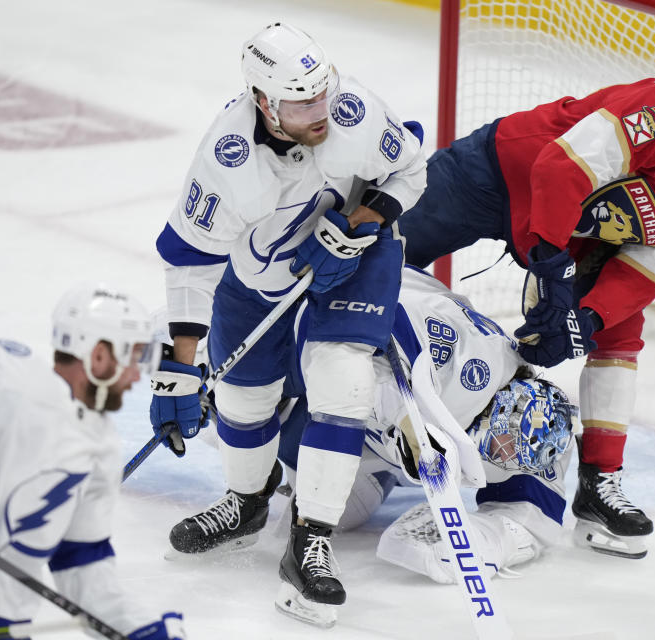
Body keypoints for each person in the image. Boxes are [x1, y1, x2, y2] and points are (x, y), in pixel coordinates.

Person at [397, 73, 655, 558]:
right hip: (499, 173)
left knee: (622, 332)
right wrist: (553, 272)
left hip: (583, 243)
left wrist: (587, 319)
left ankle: (600, 481)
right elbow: (559, 169)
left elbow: (643, 273)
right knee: (380, 250)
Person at [150, 20, 425, 612]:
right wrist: (179, 369)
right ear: (262, 102)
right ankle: (248, 503)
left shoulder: (350, 110)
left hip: (357, 260)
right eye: (302, 103)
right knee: (244, 400)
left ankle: (310, 542)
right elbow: (191, 262)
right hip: (257, 278)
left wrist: (364, 223)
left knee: (341, 379)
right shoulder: (226, 158)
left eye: (321, 91)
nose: (320, 109)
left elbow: (411, 169)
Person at [270, 267, 576, 626]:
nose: (505, 447)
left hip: (377, 447)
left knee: (345, 514)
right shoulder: (471, 358)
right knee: (262, 402)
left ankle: (367, 472)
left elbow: (534, 522)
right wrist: (402, 420)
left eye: (507, 449)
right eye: (504, 432)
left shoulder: (544, 442)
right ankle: (249, 460)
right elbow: (369, 321)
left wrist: (480, 538)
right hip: (319, 308)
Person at [0, 284, 186, 639]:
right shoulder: (2, 379)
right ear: (99, 357)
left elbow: (81, 562)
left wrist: (137, 628)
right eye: (132, 358)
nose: (136, 376)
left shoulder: (99, 449)